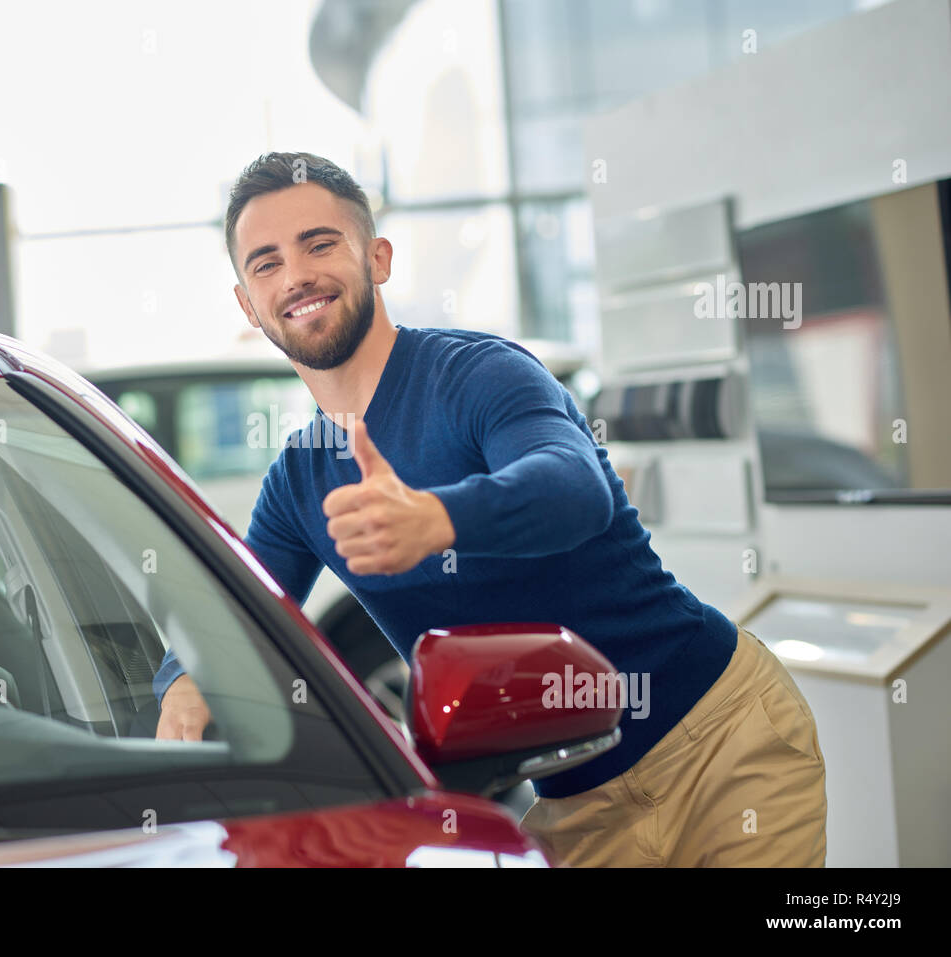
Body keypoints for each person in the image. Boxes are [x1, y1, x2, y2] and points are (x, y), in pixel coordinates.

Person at [152, 151, 826, 867]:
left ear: (377, 258)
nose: (296, 276)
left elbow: (574, 488)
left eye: (320, 244)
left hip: (724, 737)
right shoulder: (299, 479)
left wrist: (435, 520)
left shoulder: (480, 374)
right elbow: (231, 607)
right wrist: (187, 676)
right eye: (266, 263)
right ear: (247, 304)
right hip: (578, 806)